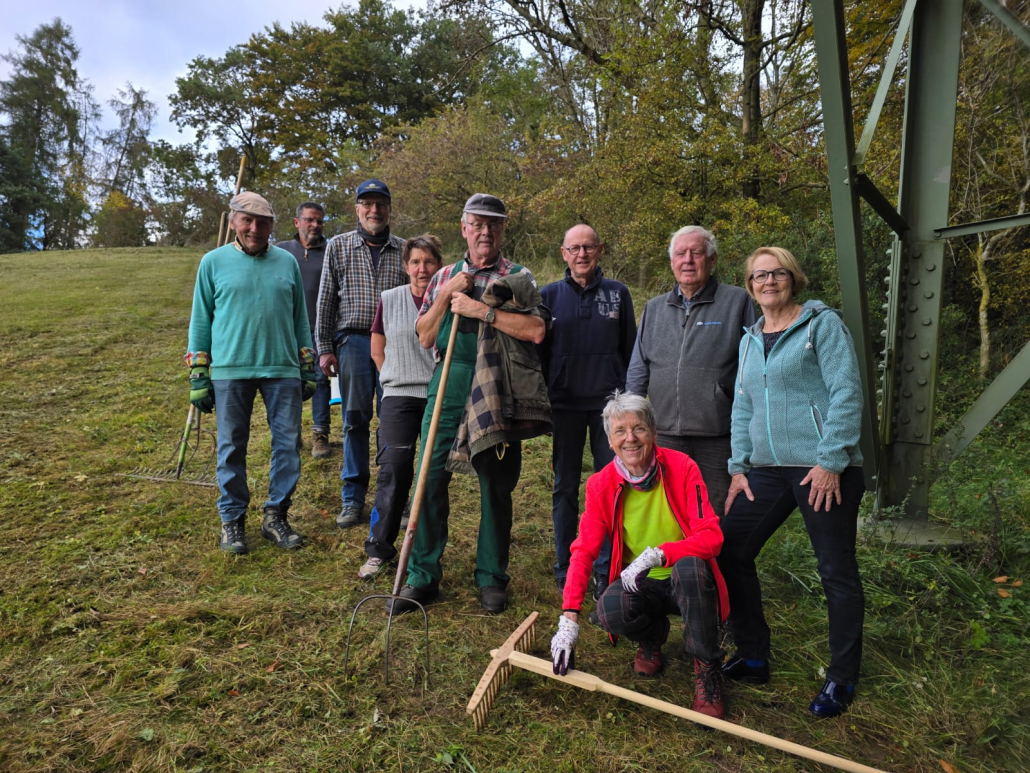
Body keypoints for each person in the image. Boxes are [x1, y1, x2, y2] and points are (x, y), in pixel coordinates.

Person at [718, 246, 865, 719]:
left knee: (834, 570)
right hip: (765, 468)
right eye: (759, 275)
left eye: (777, 273)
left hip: (821, 468)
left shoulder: (821, 326)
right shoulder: (749, 338)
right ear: (749, 285)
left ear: (793, 277)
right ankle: (754, 655)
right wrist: (738, 467)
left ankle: (841, 679)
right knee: (730, 550)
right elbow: (742, 406)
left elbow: (846, 391)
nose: (768, 282)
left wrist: (831, 460)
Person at [389, 193, 549, 616]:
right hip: (449, 382)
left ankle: (491, 577)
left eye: (493, 224)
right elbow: (424, 335)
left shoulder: (518, 277)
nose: (485, 232)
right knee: (429, 476)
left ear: (502, 230)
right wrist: (446, 297)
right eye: (477, 224)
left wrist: (481, 310)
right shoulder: (444, 274)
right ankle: (422, 575)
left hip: (497, 386)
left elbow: (535, 330)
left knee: (495, 484)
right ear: (464, 228)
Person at [549, 392, 730, 719]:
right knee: (609, 611)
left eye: (639, 429)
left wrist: (661, 554)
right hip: (641, 584)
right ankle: (652, 637)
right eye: (620, 431)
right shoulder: (600, 485)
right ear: (609, 439)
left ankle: (707, 668)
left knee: (689, 567)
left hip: (685, 581)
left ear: (654, 433)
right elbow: (584, 550)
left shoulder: (682, 467)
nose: (630, 438)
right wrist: (569, 616)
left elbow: (712, 537)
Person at [185, 192, 316, 554]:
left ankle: (276, 515)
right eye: (247, 220)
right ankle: (232, 521)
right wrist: (199, 372)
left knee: (288, 446)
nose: (254, 228)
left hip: (282, 368)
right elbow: (201, 321)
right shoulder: (212, 263)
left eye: (262, 222)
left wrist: (307, 365)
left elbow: (299, 319)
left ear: (272, 226)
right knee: (231, 447)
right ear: (233, 222)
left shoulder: (287, 262)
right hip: (230, 369)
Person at [626, 226, 755, 517]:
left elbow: (753, 366)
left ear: (711, 260)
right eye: (680, 254)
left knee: (716, 515)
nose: (688, 260)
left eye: (696, 253)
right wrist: (632, 422)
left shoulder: (737, 302)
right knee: (668, 512)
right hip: (664, 434)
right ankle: (675, 564)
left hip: (718, 435)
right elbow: (638, 370)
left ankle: (713, 565)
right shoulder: (654, 309)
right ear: (672, 262)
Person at [539, 224, 636, 594]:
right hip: (563, 406)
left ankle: (604, 564)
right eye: (574, 248)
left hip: (608, 410)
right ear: (563, 253)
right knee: (564, 486)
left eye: (589, 247)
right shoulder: (547, 296)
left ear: (600, 250)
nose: (582, 254)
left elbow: (630, 350)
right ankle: (566, 564)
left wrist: (628, 403)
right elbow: (539, 355)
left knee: (608, 486)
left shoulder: (618, 294)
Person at [315, 179, 407, 529]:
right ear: (357, 209)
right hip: (352, 343)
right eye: (367, 204)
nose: (374, 210)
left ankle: (393, 497)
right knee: (355, 420)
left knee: (394, 421)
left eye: (380, 204)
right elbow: (326, 299)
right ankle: (352, 497)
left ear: (388, 209)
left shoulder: (403, 249)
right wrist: (324, 348)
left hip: (394, 344)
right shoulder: (339, 246)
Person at [358, 235, 443, 579]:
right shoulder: (389, 300)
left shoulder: (449, 299)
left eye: (429, 262)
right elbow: (377, 350)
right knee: (394, 468)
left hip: (439, 395)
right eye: (415, 262)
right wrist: (392, 379)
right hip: (398, 395)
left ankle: (423, 555)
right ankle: (379, 550)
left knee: (433, 475)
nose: (422, 269)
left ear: (439, 265)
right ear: (406, 266)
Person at [276, 202, 332, 459]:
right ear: (297, 222)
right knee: (289, 381)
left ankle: (320, 435)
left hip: (320, 327)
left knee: (320, 379)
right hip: (287, 329)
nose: (315, 225)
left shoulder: (331, 250)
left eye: (319, 221)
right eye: (310, 220)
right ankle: (290, 433)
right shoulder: (281, 252)